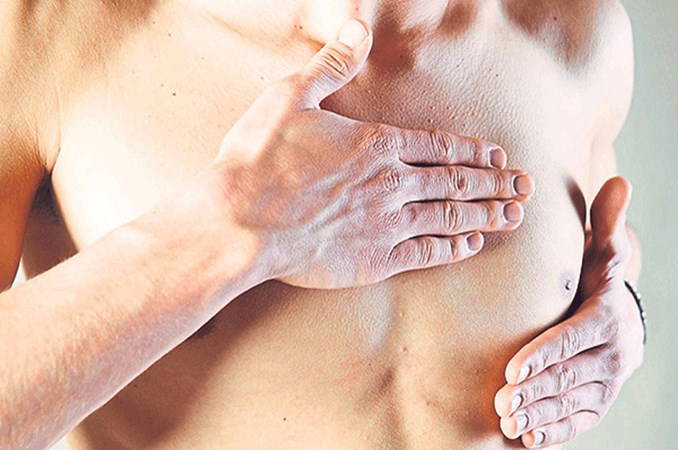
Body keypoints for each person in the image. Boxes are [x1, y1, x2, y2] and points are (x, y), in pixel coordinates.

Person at [0, 1, 644, 449]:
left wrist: (620, 320)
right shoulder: (53, 30)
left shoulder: (578, 32)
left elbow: (601, 253)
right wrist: (224, 229)